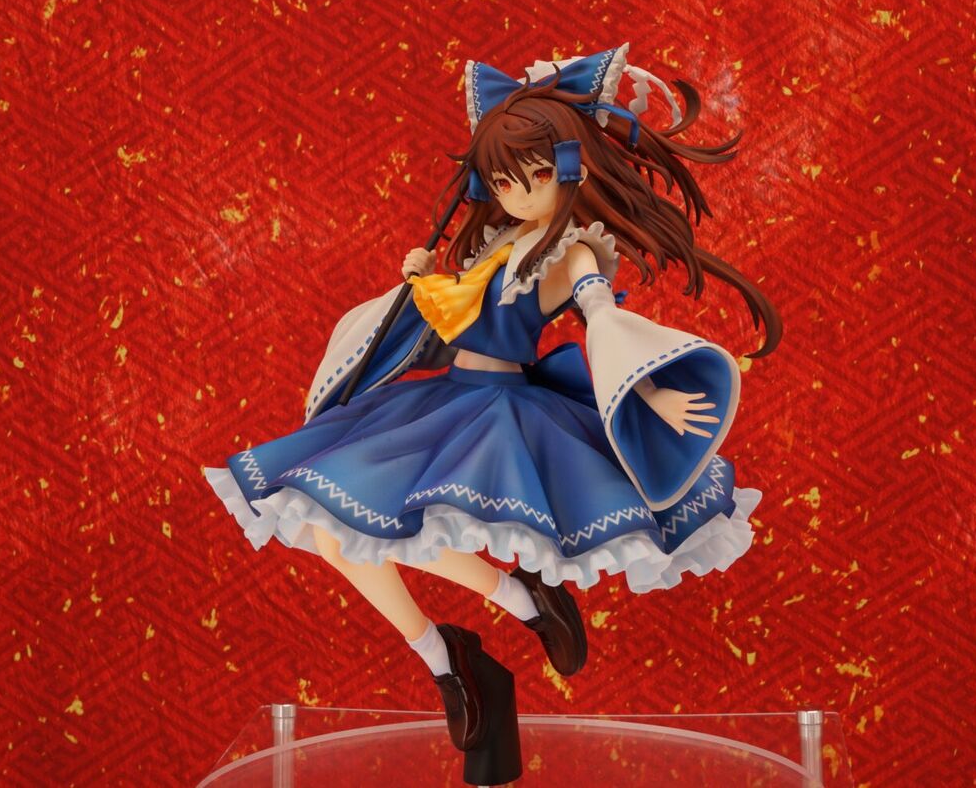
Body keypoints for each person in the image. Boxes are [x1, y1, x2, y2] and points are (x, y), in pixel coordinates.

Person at [203, 43, 782, 768]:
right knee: (333, 529)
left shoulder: (574, 251)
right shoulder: (496, 242)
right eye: (504, 180)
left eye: (534, 175)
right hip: (442, 399)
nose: (518, 193)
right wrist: (422, 282)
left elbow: (602, 320)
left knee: (385, 528)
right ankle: (461, 642)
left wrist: (651, 389)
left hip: (500, 412)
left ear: (568, 169)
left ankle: (505, 617)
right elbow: (453, 318)